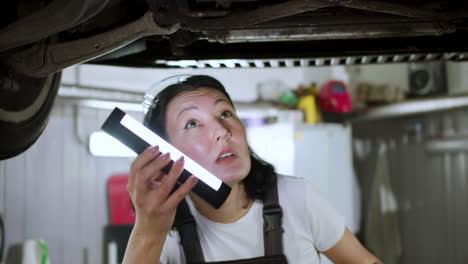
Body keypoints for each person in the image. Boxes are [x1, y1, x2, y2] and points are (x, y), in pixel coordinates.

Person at [123, 75, 381, 264]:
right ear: (166, 153)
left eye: (225, 113)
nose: (222, 131)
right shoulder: (164, 231)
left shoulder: (296, 197)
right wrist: (149, 228)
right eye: (192, 123)